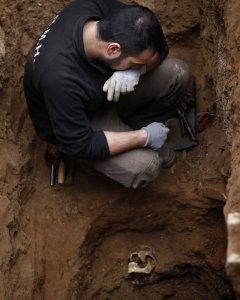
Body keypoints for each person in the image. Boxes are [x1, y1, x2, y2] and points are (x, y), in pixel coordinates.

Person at [23, 0, 191, 188]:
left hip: (103, 94)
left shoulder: (102, 11)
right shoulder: (59, 78)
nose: (139, 67)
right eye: (135, 64)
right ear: (113, 49)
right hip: (81, 123)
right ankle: (88, 163)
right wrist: (144, 136)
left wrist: (135, 72)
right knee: (147, 166)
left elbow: (160, 50)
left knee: (177, 73)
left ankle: (132, 125)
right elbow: (81, 144)